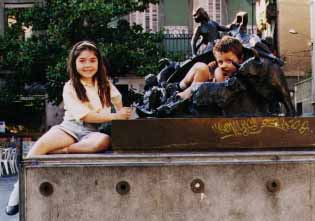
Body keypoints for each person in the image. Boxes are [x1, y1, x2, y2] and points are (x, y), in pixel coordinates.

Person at [5, 40, 132, 216]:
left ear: (99, 62)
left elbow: (119, 104)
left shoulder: (106, 85)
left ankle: (60, 151)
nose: (88, 65)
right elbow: (85, 115)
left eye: (92, 60)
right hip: (70, 127)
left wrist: (123, 115)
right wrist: (115, 116)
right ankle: (17, 189)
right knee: (36, 149)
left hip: (93, 131)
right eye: (82, 60)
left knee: (103, 141)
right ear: (74, 63)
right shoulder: (70, 86)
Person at [177, 36, 244, 100]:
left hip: (205, 94)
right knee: (201, 68)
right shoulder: (219, 71)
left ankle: (183, 97)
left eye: (229, 61)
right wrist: (212, 74)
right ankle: (178, 92)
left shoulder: (242, 74)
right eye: (220, 62)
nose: (224, 65)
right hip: (188, 88)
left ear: (241, 59)